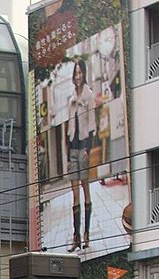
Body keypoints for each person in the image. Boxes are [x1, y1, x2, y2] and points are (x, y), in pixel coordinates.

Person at [65, 57, 96, 252]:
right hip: (73, 149)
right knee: (74, 194)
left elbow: (91, 123)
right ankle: (75, 236)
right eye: (75, 73)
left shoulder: (89, 96)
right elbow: (69, 129)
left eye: (80, 72)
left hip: (84, 147)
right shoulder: (71, 100)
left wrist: (88, 148)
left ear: (84, 73)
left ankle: (87, 234)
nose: (78, 76)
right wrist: (68, 157)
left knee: (86, 189)